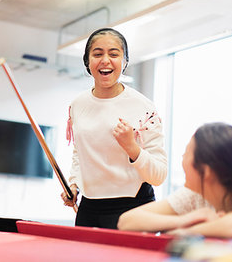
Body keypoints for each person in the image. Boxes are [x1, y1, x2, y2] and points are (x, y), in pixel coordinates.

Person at [61, 27, 167, 229]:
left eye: (114, 54)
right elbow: (80, 153)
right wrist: (74, 184)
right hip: (89, 208)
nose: (105, 60)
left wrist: (132, 148)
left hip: (134, 209)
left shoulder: (144, 107)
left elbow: (159, 175)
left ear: (125, 61)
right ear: (87, 61)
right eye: (97, 54)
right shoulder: (77, 105)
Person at [118, 123, 232, 240]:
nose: (182, 158)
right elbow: (126, 221)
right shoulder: (195, 194)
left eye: (187, 153)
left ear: (206, 171)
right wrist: (185, 220)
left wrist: (186, 231)